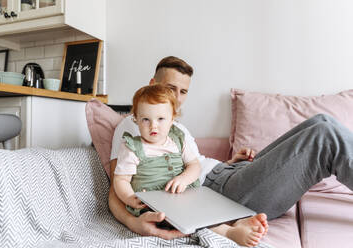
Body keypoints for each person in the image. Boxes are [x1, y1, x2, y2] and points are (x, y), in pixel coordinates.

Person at [109, 56, 353, 240]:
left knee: (321, 122)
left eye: (183, 91)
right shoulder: (133, 127)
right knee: (324, 137)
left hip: (226, 174)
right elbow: (117, 184)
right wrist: (134, 223)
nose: (177, 97)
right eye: (170, 88)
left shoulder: (173, 127)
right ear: (153, 84)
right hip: (217, 191)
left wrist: (229, 163)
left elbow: (193, 163)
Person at [113, 84, 268, 247]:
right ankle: (228, 232)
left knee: (207, 205)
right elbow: (121, 180)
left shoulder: (178, 139)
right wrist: (130, 198)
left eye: (160, 119)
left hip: (184, 195)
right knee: (186, 220)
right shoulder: (132, 147)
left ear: (172, 119)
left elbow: (194, 165)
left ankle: (237, 222)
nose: (153, 126)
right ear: (135, 119)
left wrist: (184, 179)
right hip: (153, 205)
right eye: (145, 119)